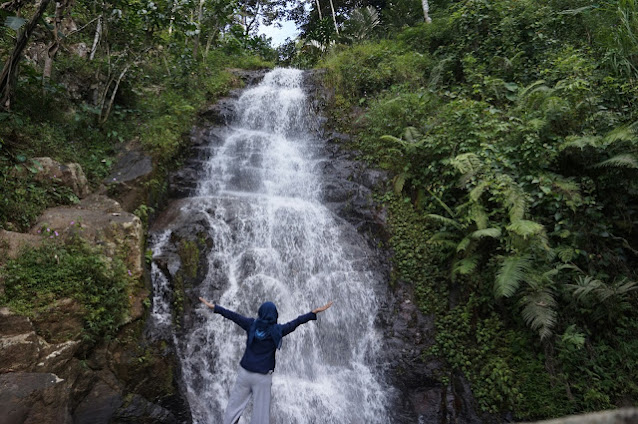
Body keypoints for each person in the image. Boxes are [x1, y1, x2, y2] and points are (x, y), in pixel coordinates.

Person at [199, 297, 334, 424]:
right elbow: (297, 321)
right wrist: (313, 312)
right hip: (262, 378)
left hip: (244, 374)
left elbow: (232, 315)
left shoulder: (251, 324)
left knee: (233, 407)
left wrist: (215, 307)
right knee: (261, 414)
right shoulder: (278, 330)